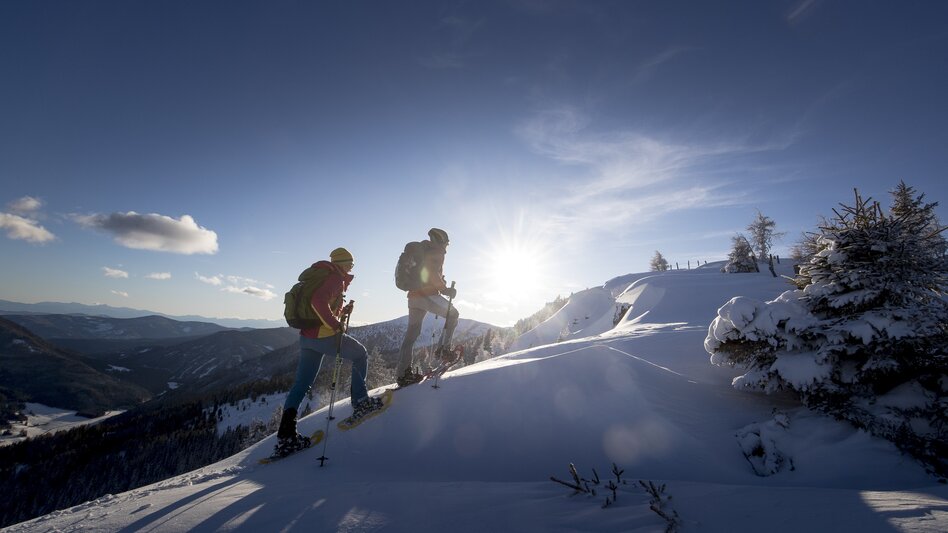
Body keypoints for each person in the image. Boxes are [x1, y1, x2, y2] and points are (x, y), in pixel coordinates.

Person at [275, 247, 382, 457]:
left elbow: (320, 303)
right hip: (324, 337)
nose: (351, 268)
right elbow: (318, 302)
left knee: (301, 384)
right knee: (360, 354)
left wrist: (342, 312)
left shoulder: (318, 276)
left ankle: (285, 437)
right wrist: (335, 324)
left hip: (306, 338)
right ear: (342, 263)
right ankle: (360, 402)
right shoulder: (334, 278)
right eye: (350, 264)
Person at [395, 228, 460, 386]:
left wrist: (441, 283)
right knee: (453, 315)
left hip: (413, 297)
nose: (446, 246)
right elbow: (431, 273)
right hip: (427, 295)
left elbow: (428, 272)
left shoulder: (422, 250)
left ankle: (402, 374)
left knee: (411, 336)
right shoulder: (437, 252)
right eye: (446, 243)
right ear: (441, 241)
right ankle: (444, 350)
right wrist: (445, 289)